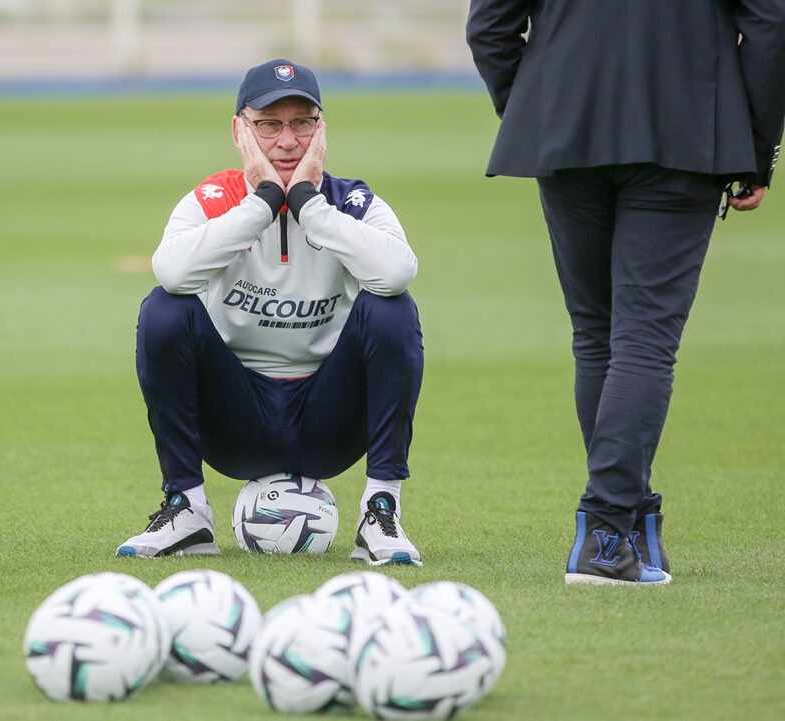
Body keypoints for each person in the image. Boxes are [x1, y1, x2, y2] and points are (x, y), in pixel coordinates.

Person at [466, 1, 785, 584]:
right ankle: (608, 533)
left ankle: (629, 525)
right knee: (642, 339)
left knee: (597, 334)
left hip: (566, 125)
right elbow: (770, 24)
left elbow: (489, 27)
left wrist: (540, 110)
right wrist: (757, 149)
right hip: (688, 130)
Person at [116, 59, 425, 566]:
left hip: (330, 419)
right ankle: (187, 509)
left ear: (321, 131)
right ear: (240, 131)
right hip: (235, 420)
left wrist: (307, 203)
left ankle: (381, 510)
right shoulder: (213, 200)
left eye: (303, 123)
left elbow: (396, 274)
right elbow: (170, 272)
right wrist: (261, 203)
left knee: (391, 307)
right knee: (164, 310)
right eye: (268, 125)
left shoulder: (352, 202)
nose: (287, 141)